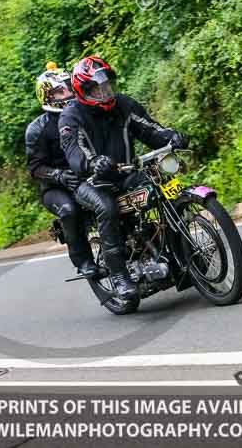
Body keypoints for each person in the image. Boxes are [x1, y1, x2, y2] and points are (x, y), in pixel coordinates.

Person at [59, 56, 189, 300]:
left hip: (126, 172)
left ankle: (182, 253)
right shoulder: (71, 115)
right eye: (97, 88)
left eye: (107, 85)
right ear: (83, 90)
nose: (104, 91)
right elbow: (73, 151)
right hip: (91, 182)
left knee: (161, 186)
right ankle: (119, 276)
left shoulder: (124, 105)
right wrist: (93, 163)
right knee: (107, 208)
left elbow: (150, 129)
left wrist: (172, 137)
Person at [25, 62, 96, 276]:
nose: (68, 94)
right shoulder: (37, 129)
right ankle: (83, 261)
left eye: (69, 87)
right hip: (56, 187)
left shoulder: (87, 113)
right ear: (46, 96)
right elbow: (35, 168)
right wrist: (59, 175)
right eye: (60, 91)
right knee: (69, 210)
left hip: (90, 174)